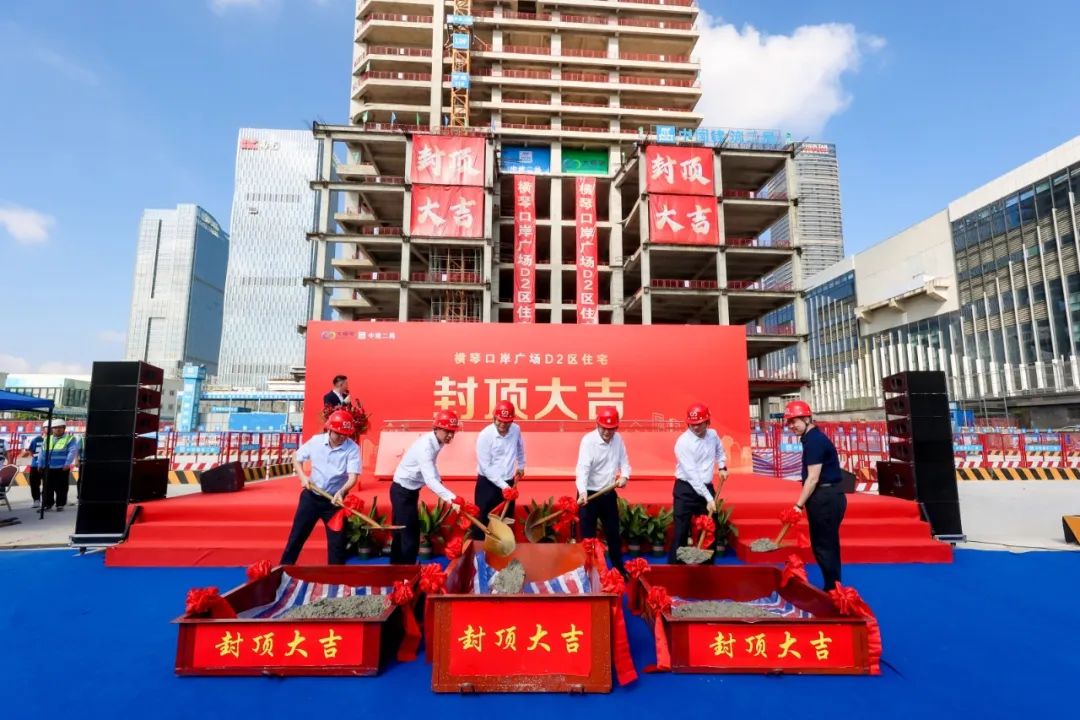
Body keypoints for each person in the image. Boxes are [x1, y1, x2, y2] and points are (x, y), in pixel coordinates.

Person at [280, 409, 361, 565]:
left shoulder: (352, 448)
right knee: (297, 536)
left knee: (337, 544)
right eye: (338, 433)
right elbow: (296, 457)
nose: (342, 437)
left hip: (334, 501)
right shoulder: (316, 442)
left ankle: (335, 577)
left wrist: (342, 491)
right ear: (329, 429)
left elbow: (353, 477)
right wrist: (303, 477)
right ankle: (284, 571)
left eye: (345, 434)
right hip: (311, 497)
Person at [785, 399, 846, 591]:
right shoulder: (813, 438)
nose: (791, 426)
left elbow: (812, 479)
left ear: (806, 418)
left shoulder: (814, 441)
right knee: (827, 544)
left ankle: (833, 590)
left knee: (824, 546)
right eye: (789, 422)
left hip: (825, 498)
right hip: (828, 496)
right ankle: (833, 586)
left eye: (794, 421)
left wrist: (798, 505)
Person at [390, 410, 462, 564]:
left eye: (453, 432)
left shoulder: (437, 441)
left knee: (401, 532)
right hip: (402, 492)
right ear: (437, 428)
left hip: (409, 491)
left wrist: (440, 482)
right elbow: (429, 480)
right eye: (447, 431)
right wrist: (451, 498)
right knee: (409, 535)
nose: (450, 435)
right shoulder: (426, 446)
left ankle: (396, 568)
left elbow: (432, 466)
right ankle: (407, 573)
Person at [669, 402, 728, 564]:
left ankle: (707, 567)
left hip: (706, 488)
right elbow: (693, 476)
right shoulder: (683, 442)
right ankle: (675, 569)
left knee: (710, 529)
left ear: (707, 422)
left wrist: (722, 466)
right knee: (681, 532)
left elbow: (720, 450)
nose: (695, 427)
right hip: (686, 489)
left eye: (699, 424)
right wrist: (709, 499)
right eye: (692, 424)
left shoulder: (713, 435)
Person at [575, 406, 630, 576]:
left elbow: (624, 462)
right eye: (604, 428)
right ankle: (588, 573)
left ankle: (618, 568)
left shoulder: (618, 439)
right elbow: (582, 469)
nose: (607, 432)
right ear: (597, 425)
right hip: (589, 495)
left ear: (616, 427)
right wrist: (582, 492)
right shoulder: (588, 441)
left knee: (613, 534)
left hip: (608, 493)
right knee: (588, 538)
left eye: (611, 429)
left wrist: (624, 476)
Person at [471, 400, 526, 539]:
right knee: (483, 519)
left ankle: (504, 549)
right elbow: (486, 466)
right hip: (488, 484)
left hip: (508, 481)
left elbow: (520, 447)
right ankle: (479, 550)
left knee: (506, 520)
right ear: (494, 418)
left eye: (506, 422)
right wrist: (504, 486)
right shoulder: (485, 435)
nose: (502, 425)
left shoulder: (516, 429)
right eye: (499, 421)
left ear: (512, 420)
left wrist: (521, 465)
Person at [42, 419, 79, 512]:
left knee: (61, 487)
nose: (57, 429)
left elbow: (72, 451)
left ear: (64, 428)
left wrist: (67, 463)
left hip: (62, 467)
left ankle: (60, 504)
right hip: (49, 467)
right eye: (55, 428)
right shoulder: (47, 439)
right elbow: (42, 453)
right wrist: (41, 463)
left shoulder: (70, 439)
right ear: (52, 429)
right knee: (47, 487)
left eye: (60, 427)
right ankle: (47, 504)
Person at [20, 426, 47, 509]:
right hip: (35, 465)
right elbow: (31, 451)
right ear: (43, 430)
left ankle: (46, 500)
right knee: (34, 484)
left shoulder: (54, 440)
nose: (49, 429)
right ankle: (36, 500)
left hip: (48, 466)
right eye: (46, 428)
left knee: (48, 484)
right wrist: (37, 459)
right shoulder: (36, 440)